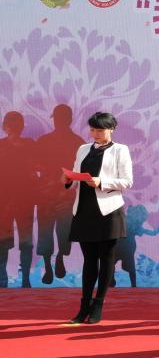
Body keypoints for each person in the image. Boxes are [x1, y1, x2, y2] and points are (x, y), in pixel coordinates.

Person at [62, 112, 133, 324]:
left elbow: (127, 181)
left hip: (108, 211)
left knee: (106, 259)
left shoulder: (120, 150)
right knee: (89, 260)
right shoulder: (83, 149)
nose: (95, 134)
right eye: (92, 130)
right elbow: (75, 177)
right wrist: (68, 179)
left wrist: (102, 182)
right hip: (84, 209)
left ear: (112, 129)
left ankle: (98, 304)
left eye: (100, 130)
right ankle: (84, 305)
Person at [35, 104, 84, 284]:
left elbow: (36, 165)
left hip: (48, 193)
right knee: (63, 230)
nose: (56, 121)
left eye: (57, 118)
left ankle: (50, 265)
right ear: (70, 119)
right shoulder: (78, 142)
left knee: (46, 230)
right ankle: (58, 260)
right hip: (65, 193)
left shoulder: (44, 140)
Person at [0, 112, 37, 288]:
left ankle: (3, 279)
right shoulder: (29, 145)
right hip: (21, 199)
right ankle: (25, 280)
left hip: (7, 200)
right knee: (25, 241)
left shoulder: (2, 146)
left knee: (5, 241)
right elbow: (37, 168)